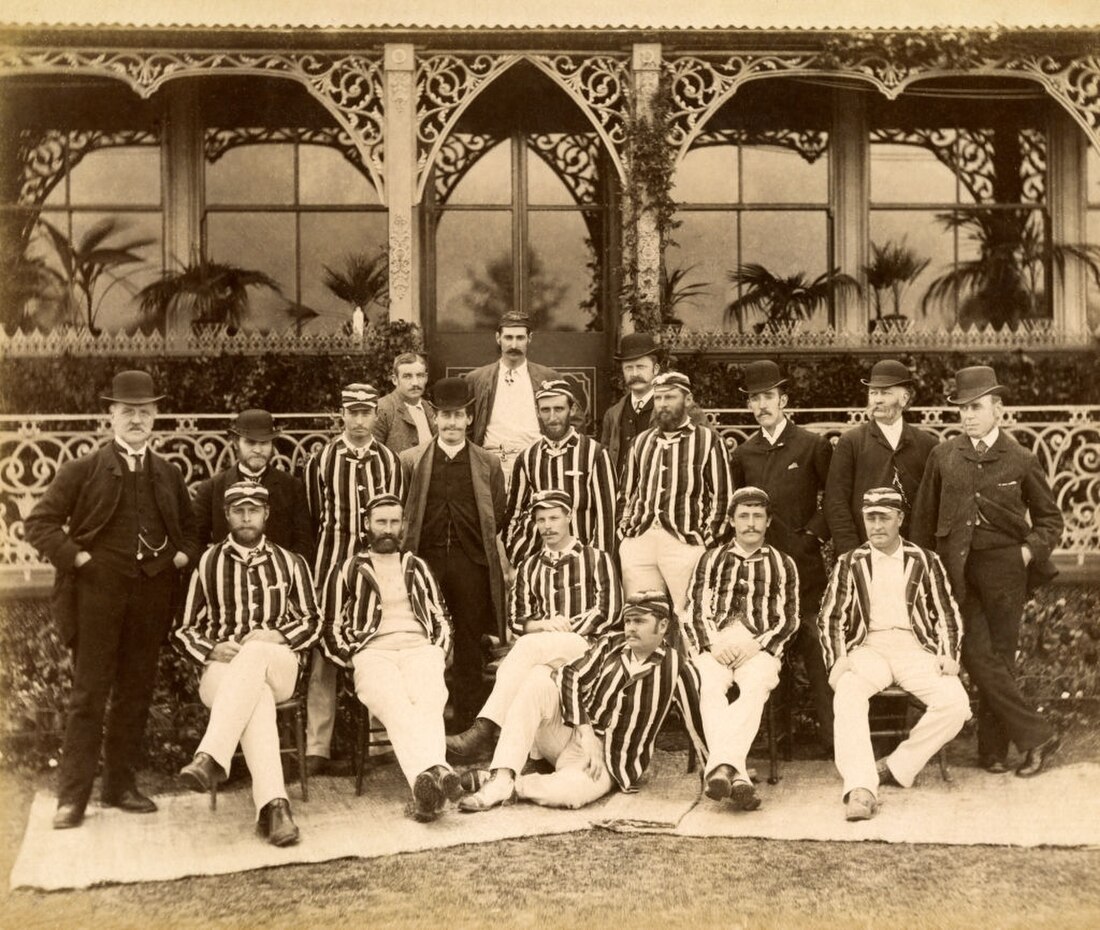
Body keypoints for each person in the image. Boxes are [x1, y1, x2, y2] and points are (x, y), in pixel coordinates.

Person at [25, 369, 198, 829]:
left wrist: (181, 556)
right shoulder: (82, 470)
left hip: (150, 600)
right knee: (89, 697)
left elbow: (191, 529)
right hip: (96, 599)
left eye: (145, 412)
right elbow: (39, 523)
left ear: (156, 416)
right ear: (111, 416)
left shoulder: (168, 473)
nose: (137, 420)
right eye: (128, 412)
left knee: (136, 695)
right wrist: (78, 559)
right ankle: (72, 798)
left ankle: (120, 786)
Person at [911, 366, 1063, 778]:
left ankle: (993, 751)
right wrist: (923, 572)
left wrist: (1027, 555)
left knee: (999, 659)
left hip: (1005, 570)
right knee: (977, 656)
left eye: (976, 407)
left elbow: (1050, 520)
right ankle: (1038, 736)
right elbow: (923, 520)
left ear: (998, 408)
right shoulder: (944, 455)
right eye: (962, 408)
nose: (968, 415)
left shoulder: (1020, 458)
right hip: (954, 571)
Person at [458, 592, 705, 812]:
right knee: (537, 680)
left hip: (609, 760)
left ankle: (514, 785)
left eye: (640, 621)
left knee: (568, 794)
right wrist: (585, 732)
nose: (630, 628)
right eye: (628, 620)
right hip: (568, 735)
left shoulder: (678, 668)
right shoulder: (612, 644)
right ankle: (501, 776)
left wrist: (714, 769)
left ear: (663, 625)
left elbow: (697, 722)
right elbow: (570, 674)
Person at [176, 482, 320, 846]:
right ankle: (274, 808)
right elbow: (183, 629)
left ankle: (211, 755)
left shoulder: (290, 561)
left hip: (279, 664)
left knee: (254, 651)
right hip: (222, 672)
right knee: (256, 700)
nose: (245, 517)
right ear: (226, 516)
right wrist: (210, 648)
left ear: (266, 514)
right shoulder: (208, 562)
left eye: (252, 510)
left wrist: (278, 636)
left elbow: (313, 620)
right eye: (237, 510)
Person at [819, 487, 970, 822]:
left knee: (956, 704)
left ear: (899, 519)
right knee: (848, 691)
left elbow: (947, 612)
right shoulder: (851, 562)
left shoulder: (925, 560)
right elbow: (831, 616)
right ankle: (860, 788)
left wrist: (947, 653)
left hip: (914, 649)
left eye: (884, 518)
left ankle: (897, 765)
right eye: (870, 518)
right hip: (868, 648)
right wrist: (838, 657)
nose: (876, 526)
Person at [447, 489, 622, 761]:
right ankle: (519, 764)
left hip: (586, 647)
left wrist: (566, 627)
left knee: (528, 647)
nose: (547, 526)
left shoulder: (596, 558)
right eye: (541, 520)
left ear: (569, 517)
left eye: (554, 518)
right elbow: (518, 621)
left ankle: (485, 728)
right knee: (534, 680)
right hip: (541, 651)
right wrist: (545, 625)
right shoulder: (530, 566)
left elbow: (609, 611)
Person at [323, 495, 461, 822]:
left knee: (431, 696)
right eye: (381, 522)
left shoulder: (417, 565)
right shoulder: (347, 569)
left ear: (403, 526)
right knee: (395, 701)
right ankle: (438, 770)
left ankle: (424, 785)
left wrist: (438, 650)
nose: (387, 529)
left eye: (394, 522)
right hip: (373, 652)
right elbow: (330, 626)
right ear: (367, 525)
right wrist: (351, 657)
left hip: (419, 648)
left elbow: (441, 617)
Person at [730, 360, 834, 751]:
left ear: (783, 399)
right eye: (754, 399)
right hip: (762, 576)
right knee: (768, 651)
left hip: (804, 569)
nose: (761, 405)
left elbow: (833, 499)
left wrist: (811, 536)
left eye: (768, 396)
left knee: (814, 646)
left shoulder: (811, 444)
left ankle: (833, 738)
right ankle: (777, 739)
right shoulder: (744, 453)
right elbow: (736, 507)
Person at [303, 382, 405, 774]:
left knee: (378, 642)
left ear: (375, 416)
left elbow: (393, 519)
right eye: (353, 413)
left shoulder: (390, 461)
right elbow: (316, 516)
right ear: (341, 415)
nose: (360, 421)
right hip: (331, 567)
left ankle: (379, 739)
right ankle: (317, 746)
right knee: (323, 653)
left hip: (376, 569)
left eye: (367, 413)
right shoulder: (321, 460)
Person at [400, 377, 507, 731]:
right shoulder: (412, 461)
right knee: (426, 641)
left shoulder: (487, 464)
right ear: (434, 419)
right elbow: (406, 511)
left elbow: (498, 513)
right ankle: (427, 724)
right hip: (427, 563)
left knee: (468, 642)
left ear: (469, 420)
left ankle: (466, 725)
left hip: (471, 564)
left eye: (458, 415)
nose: (451, 423)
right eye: (444, 415)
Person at [683, 486, 799, 812]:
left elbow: (788, 618)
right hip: (715, 643)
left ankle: (720, 767)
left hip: (758, 646)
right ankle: (738, 776)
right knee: (708, 687)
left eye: (757, 516)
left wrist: (757, 645)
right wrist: (712, 643)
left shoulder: (782, 563)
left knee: (755, 687)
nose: (750, 523)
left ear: (768, 521)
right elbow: (693, 608)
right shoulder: (711, 559)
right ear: (732, 521)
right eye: (743, 516)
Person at [618, 370, 732, 618]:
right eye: (658, 398)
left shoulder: (708, 441)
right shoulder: (641, 442)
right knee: (641, 613)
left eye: (669, 397)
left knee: (689, 615)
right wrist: (625, 532)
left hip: (685, 541)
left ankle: (689, 657)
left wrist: (707, 540)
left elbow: (723, 498)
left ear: (688, 400)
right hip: (640, 539)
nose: (662, 404)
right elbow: (626, 493)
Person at [825, 359, 937, 554]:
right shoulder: (851, 442)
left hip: (912, 554)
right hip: (865, 551)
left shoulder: (927, 444)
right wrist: (852, 554)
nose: (877, 400)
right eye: (873, 393)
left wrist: (921, 554)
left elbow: (931, 507)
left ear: (904, 398)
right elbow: (836, 502)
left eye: (885, 393)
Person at [502, 379, 617, 565]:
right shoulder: (527, 457)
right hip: (538, 561)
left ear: (571, 410)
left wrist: (596, 563)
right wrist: (515, 555)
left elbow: (607, 516)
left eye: (559, 409)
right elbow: (513, 512)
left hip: (582, 560)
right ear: (538, 412)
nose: (552, 417)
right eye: (545, 410)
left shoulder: (595, 453)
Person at [465, 311, 579, 481]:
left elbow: (574, 419)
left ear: (529, 339)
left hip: (539, 463)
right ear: (498, 338)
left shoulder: (548, 377)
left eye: (520, 338)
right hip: (490, 466)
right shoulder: (477, 379)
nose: (514, 345)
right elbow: (465, 424)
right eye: (508, 337)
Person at [190, 408, 314, 560]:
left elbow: (304, 542)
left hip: (278, 579)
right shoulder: (212, 489)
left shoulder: (291, 487)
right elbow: (195, 542)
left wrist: (284, 570)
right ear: (236, 443)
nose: (258, 450)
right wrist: (217, 570)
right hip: (228, 578)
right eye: (250, 442)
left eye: (264, 442)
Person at [600, 332, 704, 477]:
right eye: (629, 368)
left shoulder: (682, 408)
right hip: (622, 494)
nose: (635, 373)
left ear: (655, 369)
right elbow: (604, 460)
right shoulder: (613, 414)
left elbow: (708, 446)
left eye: (641, 367)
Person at [372, 352, 437, 454]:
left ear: (426, 378)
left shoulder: (430, 408)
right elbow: (373, 455)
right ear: (395, 380)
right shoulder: (383, 409)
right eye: (407, 376)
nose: (415, 383)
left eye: (420, 376)